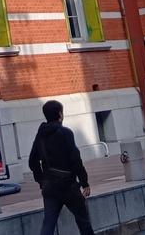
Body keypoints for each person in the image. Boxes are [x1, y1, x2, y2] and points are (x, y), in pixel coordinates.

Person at [27, 99, 96, 235]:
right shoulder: (65, 133)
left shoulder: (41, 135)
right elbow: (75, 159)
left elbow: (32, 161)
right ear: (60, 114)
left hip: (49, 186)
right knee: (83, 221)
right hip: (68, 185)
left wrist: (42, 180)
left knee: (48, 224)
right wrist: (84, 182)